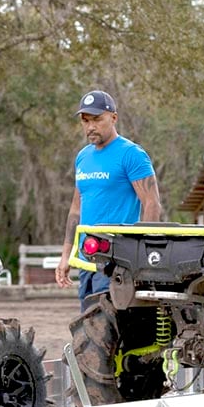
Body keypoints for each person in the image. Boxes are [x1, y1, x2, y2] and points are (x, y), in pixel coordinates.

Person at [55, 89, 162, 311]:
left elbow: (152, 204)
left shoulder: (131, 154)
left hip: (116, 260)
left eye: (97, 119)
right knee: (88, 325)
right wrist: (66, 255)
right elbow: (76, 210)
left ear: (113, 118)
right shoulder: (83, 157)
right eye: (85, 120)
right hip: (86, 259)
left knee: (109, 328)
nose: (90, 126)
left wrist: (142, 253)